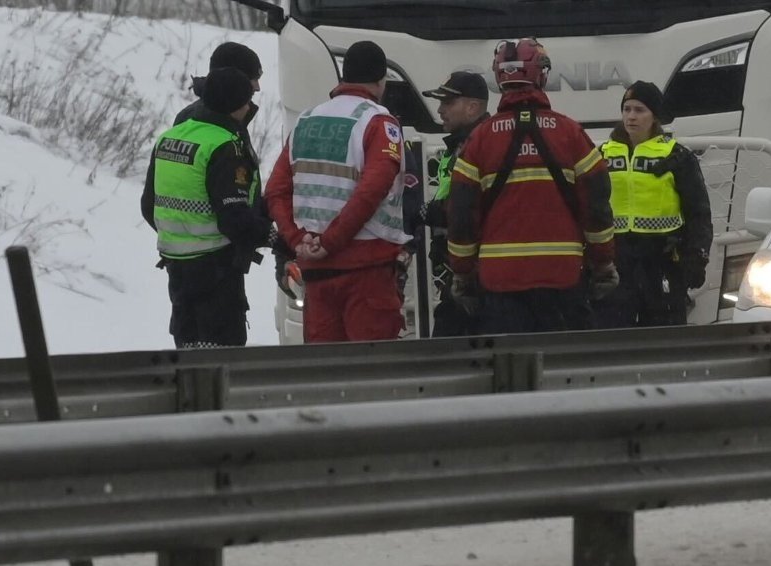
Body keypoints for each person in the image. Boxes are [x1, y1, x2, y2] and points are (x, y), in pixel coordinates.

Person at [445, 38, 618, 335]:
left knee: (510, 361)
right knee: (565, 360)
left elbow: (461, 214)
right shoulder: (570, 134)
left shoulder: (480, 140)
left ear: (499, 77)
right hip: (563, 279)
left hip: (500, 283)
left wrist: (462, 273)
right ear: (541, 75)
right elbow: (597, 205)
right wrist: (603, 263)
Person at [265, 40, 411, 343]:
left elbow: (276, 191)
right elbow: (372, 190)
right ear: (381, 81)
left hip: (317, 276)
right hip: (366, 272)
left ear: (343, 77)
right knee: (372, 366)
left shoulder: (306, 121)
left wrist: (296, 240)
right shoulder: (379, 122)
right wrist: (331, 242)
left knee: (327, 367)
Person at [141, 67, 271, 349]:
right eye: (246, 101)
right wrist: (271, 235)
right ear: (235, 104)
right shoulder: (225, 146)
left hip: (177, 268)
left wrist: (181, 237)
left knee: (188, 353)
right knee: (221, 354)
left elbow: (148, 205)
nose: (249, 107)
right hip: (216, 270)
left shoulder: (170, 137)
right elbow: (234, 220)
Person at [594, 81, 712, 328]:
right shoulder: (602, 155)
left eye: (640, 110)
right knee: (613, 332)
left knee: (665, 332)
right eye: (627, 109)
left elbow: (698, 212)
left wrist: (697, 257)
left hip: (662, 259)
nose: (631, 116)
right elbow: (589, 206)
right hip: (617, 259)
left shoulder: (676, 156)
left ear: (654, 116)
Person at [418, 70, 490, 336]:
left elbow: (480, 203)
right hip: (458, 271)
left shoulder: (483, 145)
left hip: (477, 274)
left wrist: (440, 211)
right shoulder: (460, 146)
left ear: (473, 107)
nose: (440, 110)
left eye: (448, 103)